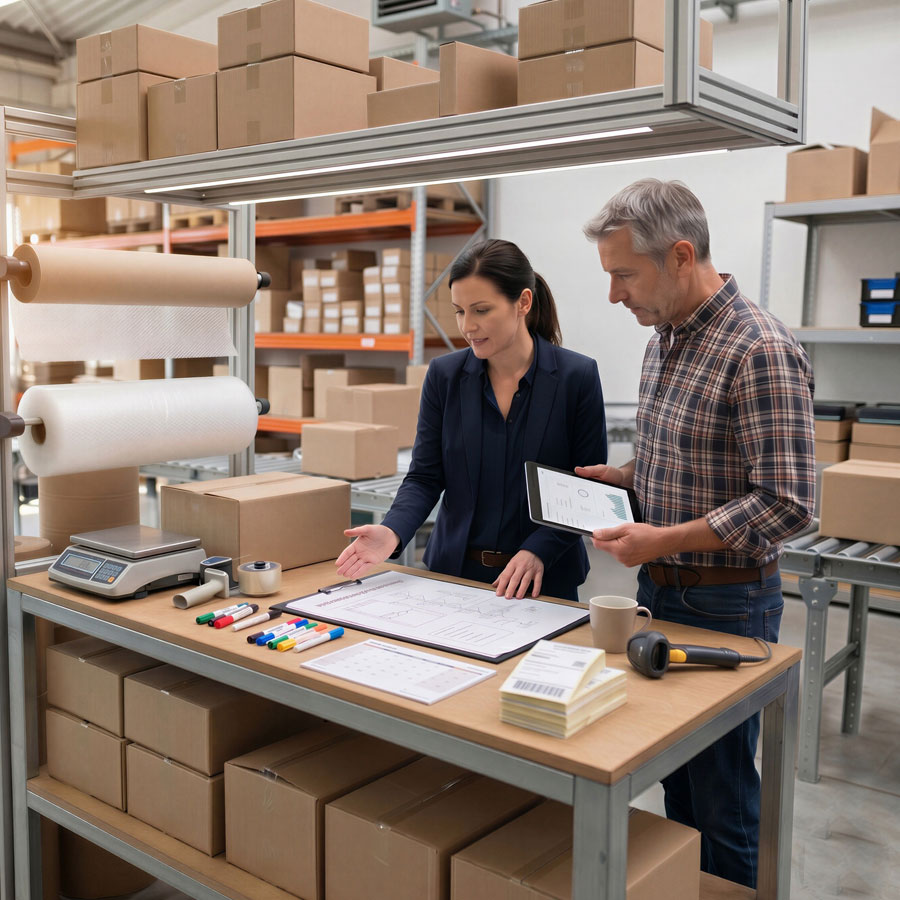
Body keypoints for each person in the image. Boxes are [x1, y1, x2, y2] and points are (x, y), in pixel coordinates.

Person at [577, 179, 815, 888]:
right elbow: (686, 460)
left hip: (727, 605)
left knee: (721, 804)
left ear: (680, 256)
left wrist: (664, 536)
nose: (615, 295)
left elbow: (789, 503)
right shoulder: (665, 341)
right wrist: (625, 480)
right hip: (661, 592)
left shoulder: (759, 349)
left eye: (624, 274)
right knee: (675, 789)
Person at [335, 238, 607, 603]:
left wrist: (539, 549)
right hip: (453, 575)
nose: (467, 326)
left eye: (481, 310)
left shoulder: (578, 376)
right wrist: (393, 531)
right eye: (459, 311)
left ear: (522, 302)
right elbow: (425, 476)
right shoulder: (444, 376)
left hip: (545, 580)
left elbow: (585, 487)